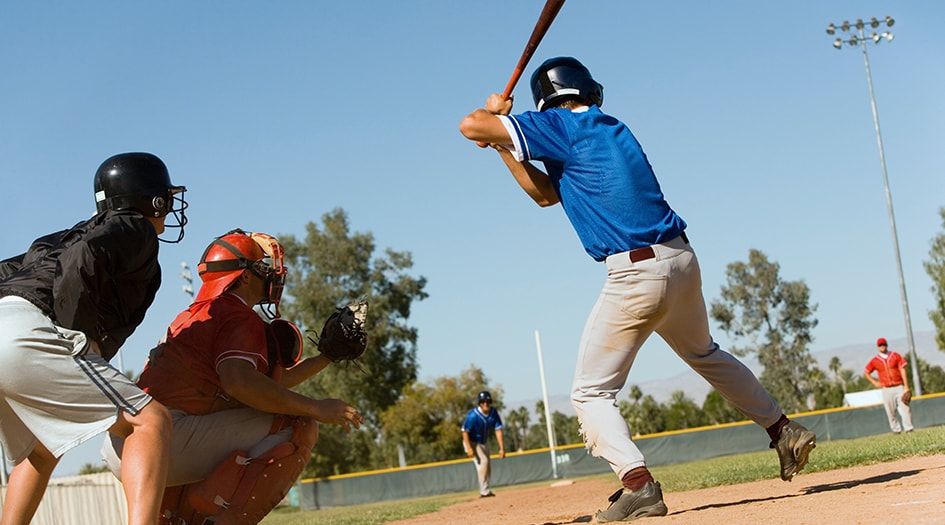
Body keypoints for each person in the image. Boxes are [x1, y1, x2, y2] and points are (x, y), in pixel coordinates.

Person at [459, 57, 817, 521]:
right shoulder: (610, 128)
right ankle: (782, 429)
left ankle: (638, 484)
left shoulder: (559, 125)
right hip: (681, 260)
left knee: (590, 392)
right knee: (705, 354)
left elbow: (470, 124)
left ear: (546, 101)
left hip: (636, 273)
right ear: (587, 90)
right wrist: (503, 142)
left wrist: (495, 118)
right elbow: (547, 195)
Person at [103, 229, 364, 525]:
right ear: (245, 277)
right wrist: (316, 407)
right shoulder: (238, 315)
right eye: (262, 269)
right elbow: (240, 382)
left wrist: (324, 358)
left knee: (249, 415)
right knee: (297, 423)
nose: (270, 276)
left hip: (128, 442)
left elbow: (265, 387)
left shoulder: (195, 314)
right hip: (162, 438)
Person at [0, 152, 187, 525]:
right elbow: (81, 260)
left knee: (40, 449)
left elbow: (7, 268)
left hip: (7, 319)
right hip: (25, 331)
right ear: (153, 198)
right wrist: (82, 336)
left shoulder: (66, 233)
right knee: (148, 422)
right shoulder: (135, 228)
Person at [864, 337, 914, 434]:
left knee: (905, 408)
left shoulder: (895, 356)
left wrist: (906, 386)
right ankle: (896, 430)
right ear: (877, 347)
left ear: (886, 345)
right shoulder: (875, 360)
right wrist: (874, 382)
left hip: (899, 386)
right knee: (890, 411)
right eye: (880, 345)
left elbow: (903, 370)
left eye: (883, 344)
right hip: (886, 388)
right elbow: (866, 372)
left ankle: (909, 429)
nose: (882, 346)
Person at [461, 390, 505, 498]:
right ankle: (484, 491)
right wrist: (469, 448)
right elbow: (464, 431)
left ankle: (486, 489)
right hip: (471, 442)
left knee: (488, 467)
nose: (485, 404)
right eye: (482, 402)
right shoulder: (473, 415)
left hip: (483, 442)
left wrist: (502, 448)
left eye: (487, 401)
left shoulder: (493, 413)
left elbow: (498, 430)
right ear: (479, 403)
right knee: (483, 462)